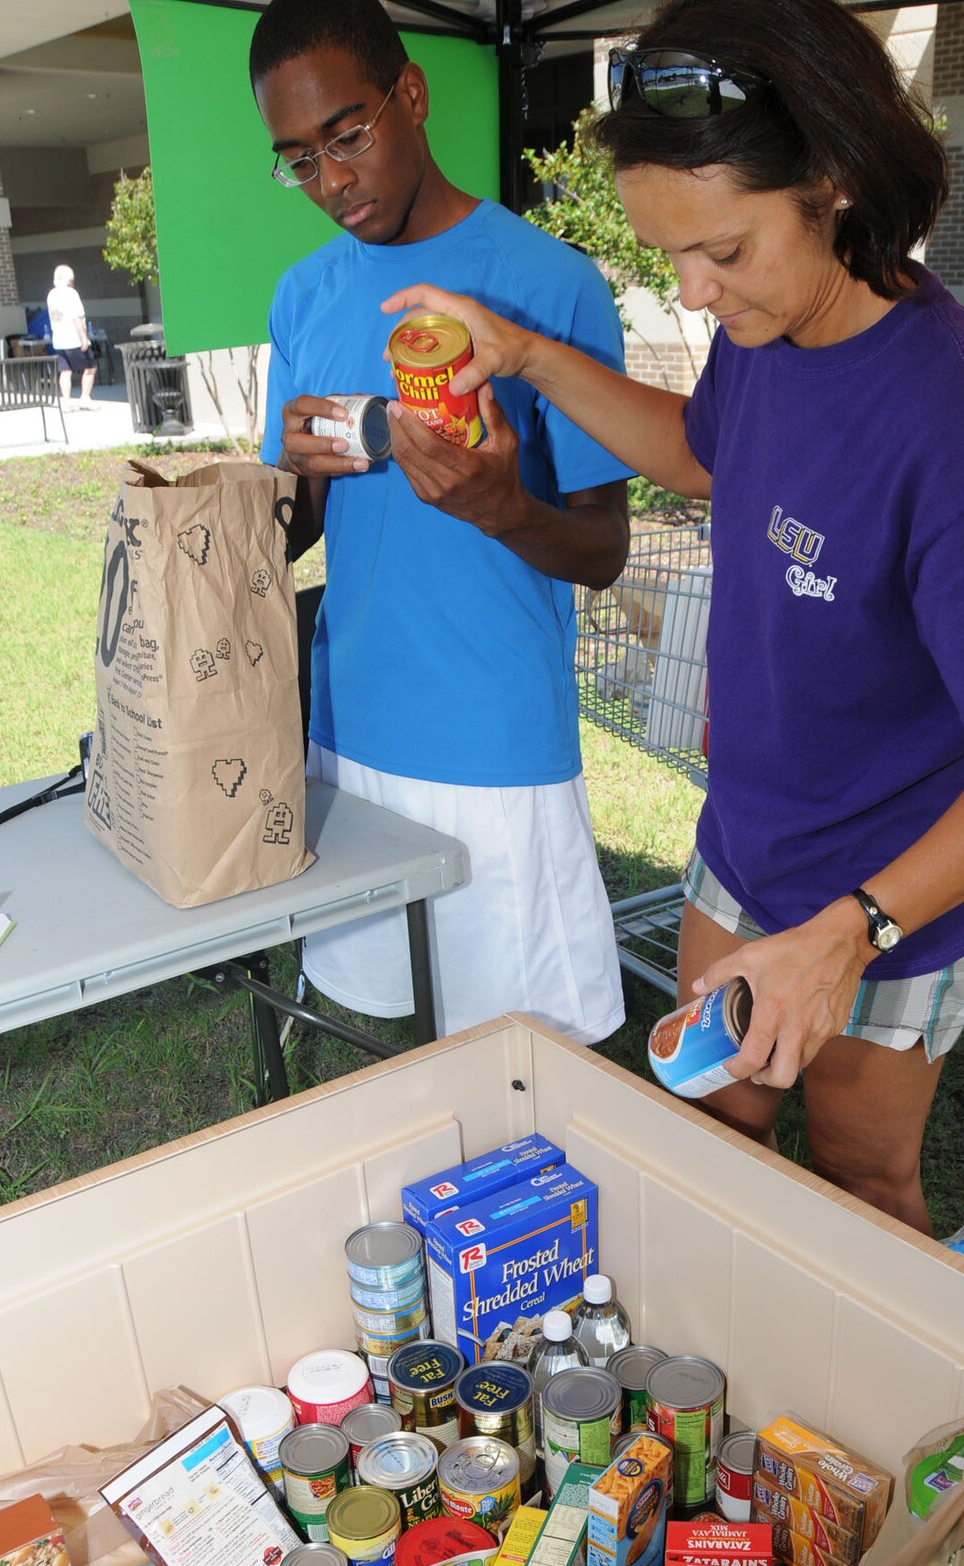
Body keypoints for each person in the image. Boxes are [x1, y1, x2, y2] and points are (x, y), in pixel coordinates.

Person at [382, 0, 964, 1234]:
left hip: (894, 900)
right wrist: (520, 353)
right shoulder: (776, 323)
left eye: (721, 250)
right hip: (747, 842)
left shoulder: (957, 431)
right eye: (669, 254)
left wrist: (853, 931)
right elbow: (701, 449)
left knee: (861, 1178)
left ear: (831, 184)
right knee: (710, 1119)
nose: (694, 291)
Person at [249, 0, 632, 1045]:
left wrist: (503, 509)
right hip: (350, 725)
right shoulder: (303, 297)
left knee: (523, 1074)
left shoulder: (550, 287)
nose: (331, 182)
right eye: (298, 159)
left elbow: (604, 551)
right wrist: (286, 475)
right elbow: (288, 541)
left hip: (494, 739)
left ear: (411, 95)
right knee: (381, 1049)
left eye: (348, 137)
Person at [46, 265, 97, 408]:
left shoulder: (52, 295)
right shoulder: (71, 294)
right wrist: (84, 338)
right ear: (69, 279)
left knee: (65, 370)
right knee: (90, 368)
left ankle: (66, 401)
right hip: (74, 339)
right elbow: (76, 317)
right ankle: (85, 398)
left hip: (59, 339)